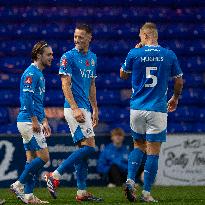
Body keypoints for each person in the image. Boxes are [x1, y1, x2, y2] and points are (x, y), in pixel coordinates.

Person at [120, 22, 183, 202]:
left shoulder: (134, 53)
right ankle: (146, 193)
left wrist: (135, 51)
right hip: (157, 109)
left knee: (138, 146)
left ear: (146, 36)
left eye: (140, 36)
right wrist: (175, 98)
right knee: (153, 151)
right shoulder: (169, 54)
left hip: (137, 108)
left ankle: (130, 180)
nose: (139, 39)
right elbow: (179, 81)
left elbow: (122, 75)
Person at [44, 24, 103, 202]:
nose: (77, 39)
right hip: (74, 108)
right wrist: (75, 107)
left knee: (82, 150)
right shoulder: (67, 57)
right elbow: (65, 85)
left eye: (81, 37)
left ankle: (81, 192)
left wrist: (95, 108)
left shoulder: (93, 58)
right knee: (90, 146)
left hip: (85, 107)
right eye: (75, 36)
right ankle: (54, 175)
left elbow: (92, 85)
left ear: (90, 37)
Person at [10, 41, 53, 204]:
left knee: (31, 159)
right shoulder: (31, 73)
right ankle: (18, 184)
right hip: (28, 121)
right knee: (43, 158)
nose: (51, 57)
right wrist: (35, 120)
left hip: (31, 120)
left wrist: (44, 120)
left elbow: (38, 101)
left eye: (52, 54)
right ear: (38, 55)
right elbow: (27, 99)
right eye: (48, 54)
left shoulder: (39, 74)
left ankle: (28, 196)